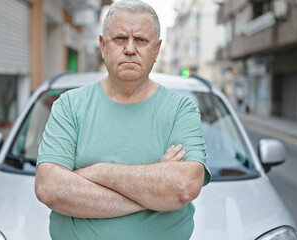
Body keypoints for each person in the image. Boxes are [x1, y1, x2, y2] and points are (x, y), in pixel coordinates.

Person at [35, 1, 211, 239]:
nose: (130, 49)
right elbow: (51, 189)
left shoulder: (181, 109)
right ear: (102, 46)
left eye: (141, 40)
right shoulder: (69, 106)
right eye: (119, 39)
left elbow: (183, 188)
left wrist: (96, 172)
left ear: (157, 50)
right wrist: (154, 192)